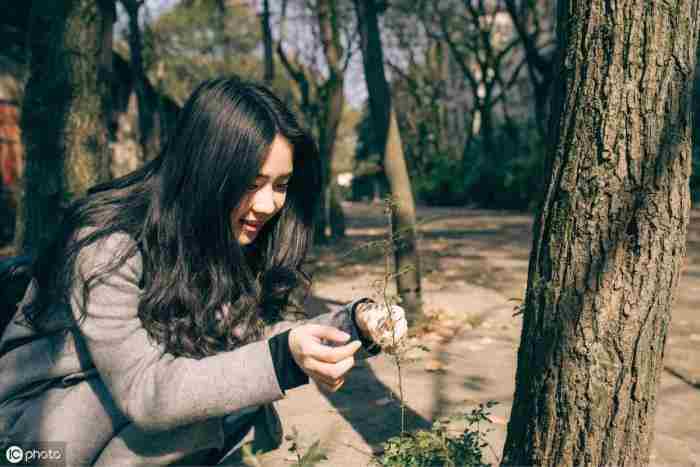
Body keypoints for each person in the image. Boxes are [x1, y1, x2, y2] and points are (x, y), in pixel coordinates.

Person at [0, 78, 407, 466]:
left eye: (280, 184)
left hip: (109, 427)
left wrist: (355, 323)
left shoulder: (218, 234)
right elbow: (147, 392)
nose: (268, 205)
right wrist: (282, 360)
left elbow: (249, 338)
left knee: (220, 387)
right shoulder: (109, 243)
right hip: (30, 447)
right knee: (196, 403)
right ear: (206, 171)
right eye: (252, 182)